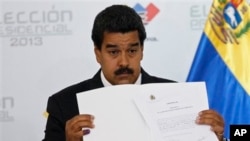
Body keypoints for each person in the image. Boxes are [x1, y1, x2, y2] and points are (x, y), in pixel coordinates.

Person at [42, 4, 227, 141]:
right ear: (98, 53)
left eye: (132, 51)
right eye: (113, 52)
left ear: (142, 50)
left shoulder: (176, 95)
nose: (124, 62)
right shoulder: (64, 105)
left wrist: (218, 138)